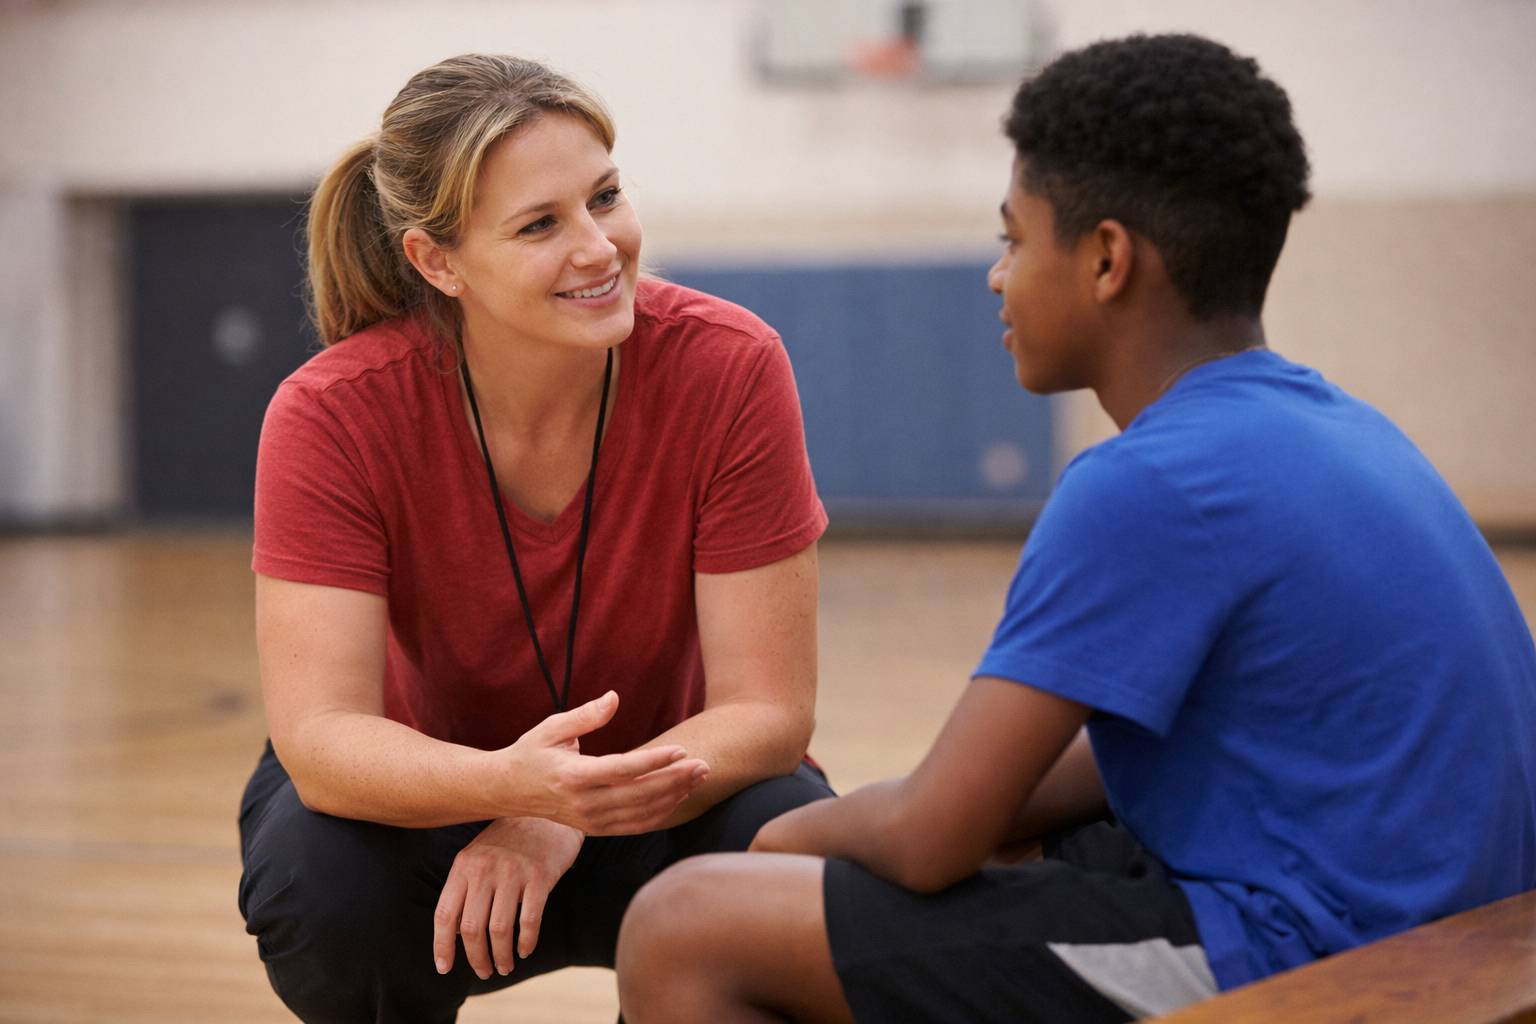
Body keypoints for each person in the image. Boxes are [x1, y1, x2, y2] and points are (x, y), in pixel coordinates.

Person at [614, 32, 1536, 1024]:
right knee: (1001, 840)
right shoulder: (1335, 426)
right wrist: (909, 816)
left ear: (1105, 259)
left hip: (1320, 959)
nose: (996, 276)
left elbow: (932, 835)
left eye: (1013, 238)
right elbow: (1126, 757)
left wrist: (787, 840)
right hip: (1456, 922)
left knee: (688, 920)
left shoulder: (1145, 483)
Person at [236, 54, 834, 1023]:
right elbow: (322, 740)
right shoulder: (332, 412)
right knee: (318, 877)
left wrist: (562, 812)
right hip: (429, 796)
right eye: (541, 224)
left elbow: (768, 711)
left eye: (606, 195)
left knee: (794, 843)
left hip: (662, 783)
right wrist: (515, 788)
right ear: (437, 261)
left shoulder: (730, 367)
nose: (600, 247)